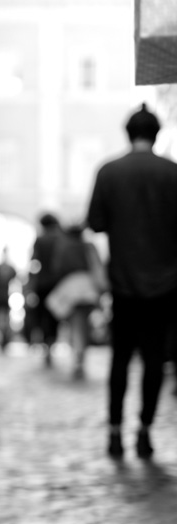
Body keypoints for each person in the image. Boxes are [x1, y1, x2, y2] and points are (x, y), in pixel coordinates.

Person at [87, 103, 177, 460]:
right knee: (155, 359)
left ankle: (113, 430)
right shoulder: (173, 173)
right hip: (166, 282)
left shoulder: (109, 172)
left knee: (120, 359)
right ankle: (144, 428)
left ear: (128, 133)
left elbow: (95, 223)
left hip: (123, 280)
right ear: (156, 134)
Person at [45, 224, 108, 379]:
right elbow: (98, 266)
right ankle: (80, 357)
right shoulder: (88, 247)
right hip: (88, 289)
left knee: (76, 324)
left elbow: (57, 268)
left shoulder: (64, 248)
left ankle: (78, 357)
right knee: (83, 325)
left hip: (72, 289)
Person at [28, 212, 63, 366]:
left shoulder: (40, 240)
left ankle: (46, 346)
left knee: (42, 316)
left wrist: (30, 286)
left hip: (42, 284)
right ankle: (51, 344)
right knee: (54, 316)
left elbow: (34, 264)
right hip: (57, 283)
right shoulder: (60, 239)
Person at [0, 247, 17, 351]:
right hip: (1, 296)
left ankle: (4, 338)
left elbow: (15, 284)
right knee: (0, 319)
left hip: (5, 296)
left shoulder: (9, 268)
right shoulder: (0, 268)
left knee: (4, 319)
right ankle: (2, 338)